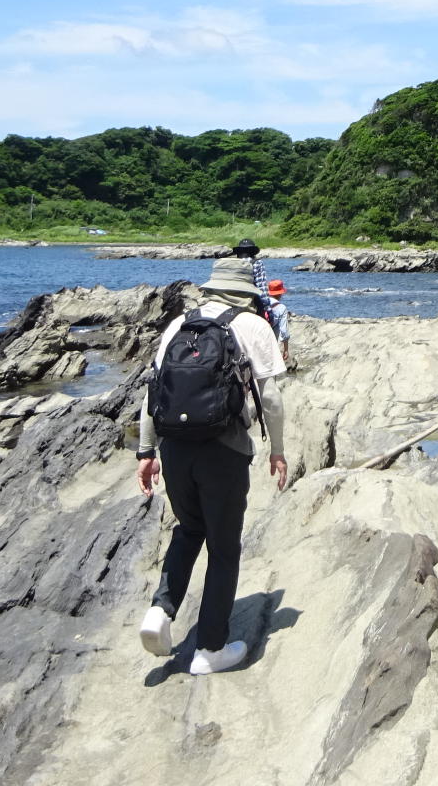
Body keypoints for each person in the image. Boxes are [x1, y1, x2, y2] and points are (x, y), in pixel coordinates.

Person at [134, 257, 286, 675]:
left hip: (175, 449)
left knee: (189, 530)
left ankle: (160, 612)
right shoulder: (255, 326)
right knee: (223, 549)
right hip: (225, 449)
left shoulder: (177, 326)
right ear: (247, 291)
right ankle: (209, 650)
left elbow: (154, 392)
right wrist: (278, 449)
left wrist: (146, 453)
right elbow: (270, 398)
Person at [265, 278, 291, 363]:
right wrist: (286, 349)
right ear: (280, 293)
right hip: (271, 341)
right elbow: (284, 331)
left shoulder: (261, 303)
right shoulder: (282, 308)